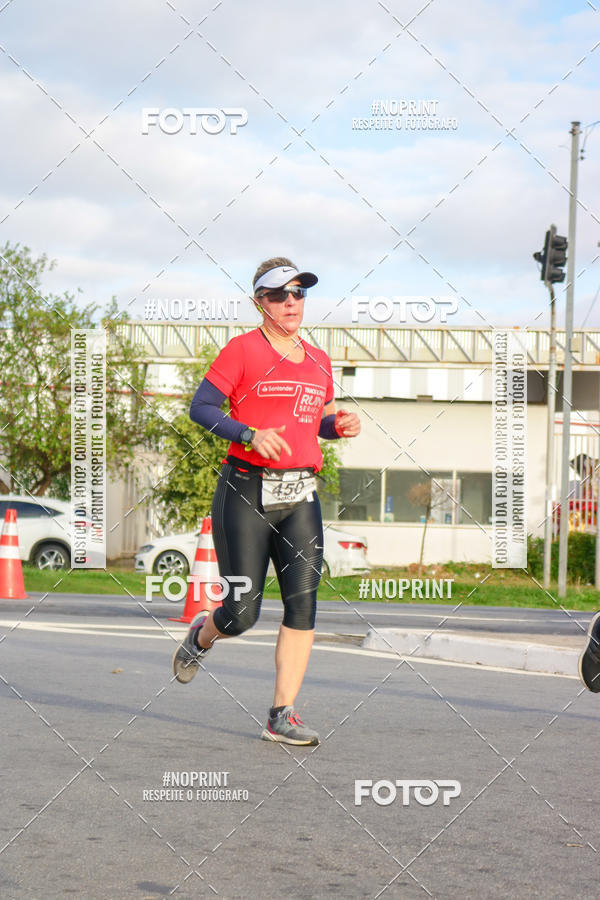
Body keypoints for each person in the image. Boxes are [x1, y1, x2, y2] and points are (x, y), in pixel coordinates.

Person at [172, 256, 361, 745]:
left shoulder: (318, 360)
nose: (292, 302)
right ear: (260, 302)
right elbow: (201, 407)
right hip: (246, 490)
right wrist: (249, 434)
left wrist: (337, 426)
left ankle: (282, 715)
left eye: (299, 292)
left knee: (303, 603)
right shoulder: (242, 350)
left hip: (300, 493)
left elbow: (312, 423)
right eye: (280, 294)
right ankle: (202, 634)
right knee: (242, 613)